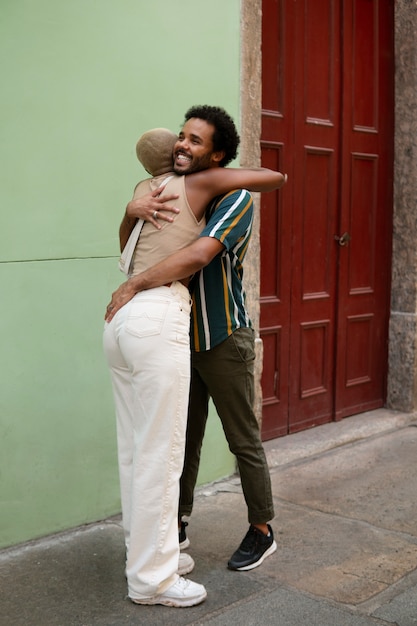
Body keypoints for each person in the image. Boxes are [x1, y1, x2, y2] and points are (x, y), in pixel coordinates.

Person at [103, 107, 285, 608]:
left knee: (242, 437)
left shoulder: (233, 195)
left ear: (218, 155)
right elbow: (134, 247)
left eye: (195, 141)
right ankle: (175, 526)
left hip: (222, 334)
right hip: (176, 335)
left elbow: (200, 253)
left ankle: (262, 528)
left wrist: (135, 284)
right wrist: (132, 211)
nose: (182, 145)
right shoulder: (162, 189)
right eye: (181, 137)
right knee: (179, 439)